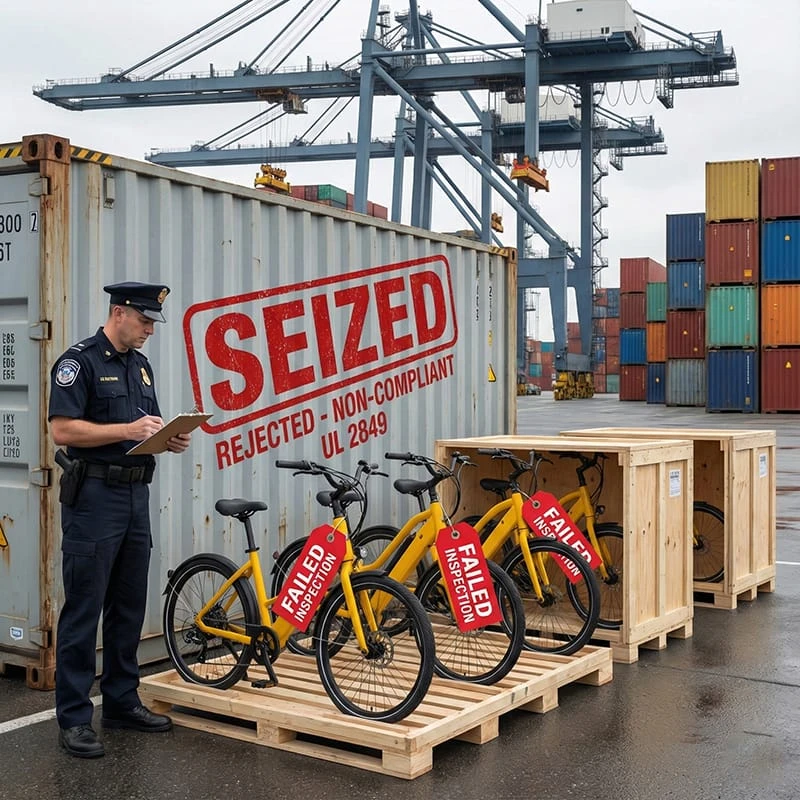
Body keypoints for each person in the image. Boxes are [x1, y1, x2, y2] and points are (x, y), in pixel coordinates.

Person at [48, 281, 192, 758]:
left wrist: (165, 437)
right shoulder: (79, 362)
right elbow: (62, 429)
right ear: (119, 313)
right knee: (84, 607)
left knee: (129, 603)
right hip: (93, 498)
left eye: (153, 322)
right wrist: (127, 430)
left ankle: (121, 702)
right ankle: (73, 718)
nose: (151, 329)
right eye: (145, 320)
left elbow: (140, 431)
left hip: (134, 497)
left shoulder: (140, 366)